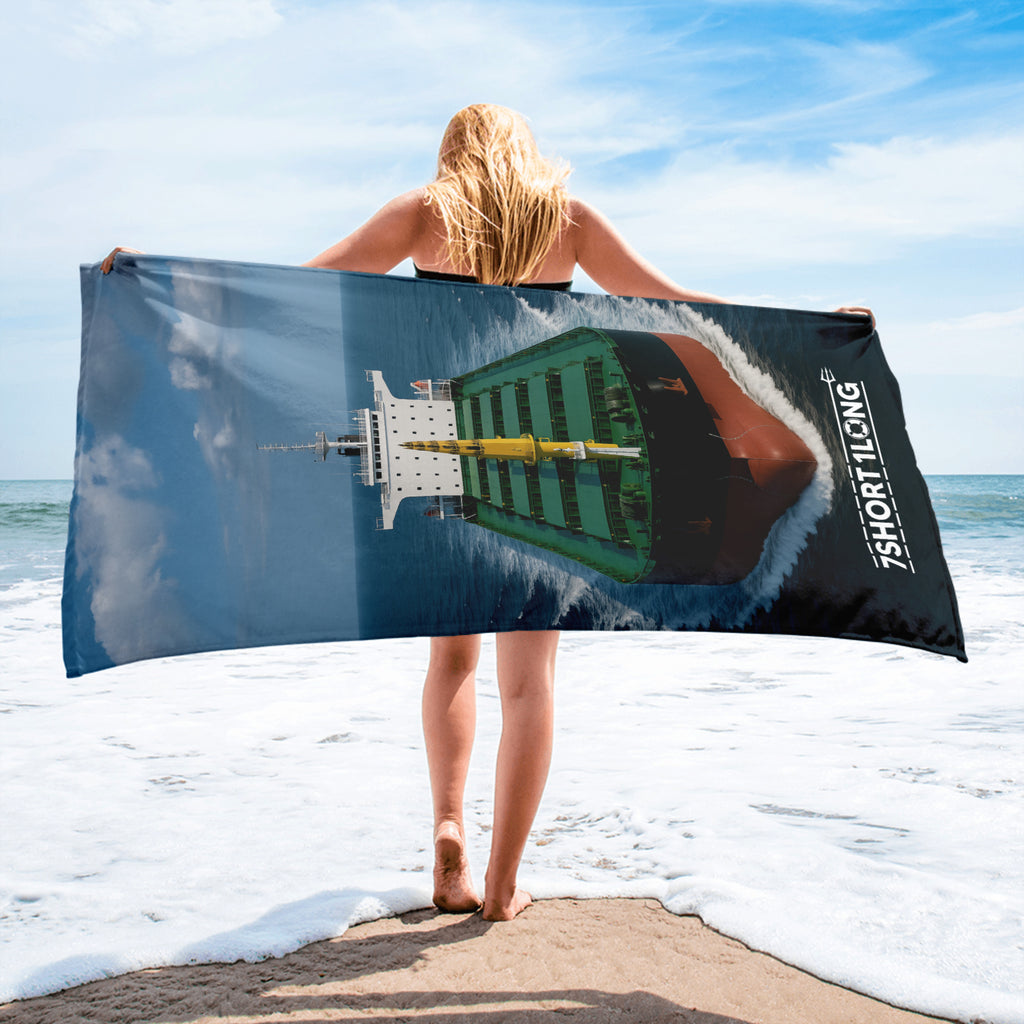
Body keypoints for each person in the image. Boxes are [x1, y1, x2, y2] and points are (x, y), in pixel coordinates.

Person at [102, 103, 872, 922]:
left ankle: (446, 832)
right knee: (531, 686)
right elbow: (679, 305)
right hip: (562, 465)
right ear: (525, 151)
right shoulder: (567, 220)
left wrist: (159, 279)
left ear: (452, 153)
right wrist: (817, 327)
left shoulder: (423, 214)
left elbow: (295, 287)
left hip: (443, 464)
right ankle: (503, 888)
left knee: (452, 665)